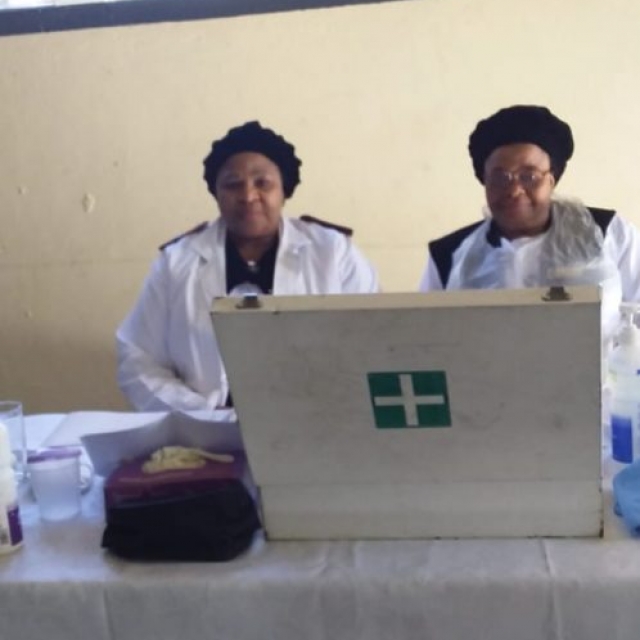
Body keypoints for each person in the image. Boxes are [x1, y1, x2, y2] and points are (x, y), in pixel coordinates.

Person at [117, 121, 379, 411]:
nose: (248, 196)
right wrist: (200, 413)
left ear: (284, 190)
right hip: (207, 425)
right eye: (233, 184)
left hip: (317, 420)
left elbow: (373, 342)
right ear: (216, 192)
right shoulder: (177, 261)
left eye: (262, 183)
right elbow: (138, 359)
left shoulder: (333, 252)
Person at [419, 104, 640, 343]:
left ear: (551, 180)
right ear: (484, 181)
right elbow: (425, 339)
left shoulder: (606, 233)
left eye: (529, 176)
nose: (514, 190)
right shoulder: (449, 255)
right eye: (500, 177)